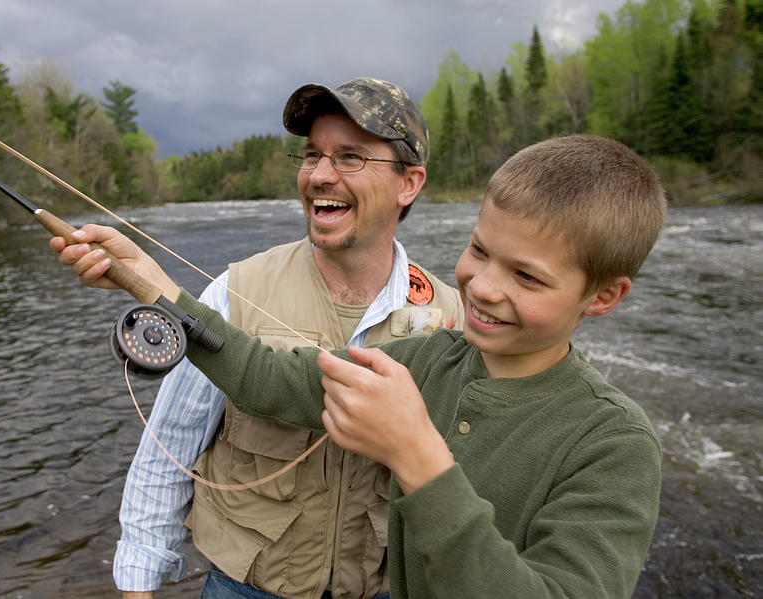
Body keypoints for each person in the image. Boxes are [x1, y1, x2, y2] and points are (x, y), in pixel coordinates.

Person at [64, 133, 667, 598]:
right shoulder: (431, 358)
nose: (483, 287)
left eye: (527, 276)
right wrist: (154, 289)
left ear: (605, 296)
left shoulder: (616, 444)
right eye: (480, 250)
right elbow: (273, 378)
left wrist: (415, 454)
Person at [52, 78, 463, 598]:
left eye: (351, 157)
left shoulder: (452, 315)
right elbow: (169, 446)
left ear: (409, 183)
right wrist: (139, 583)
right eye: (312, 154)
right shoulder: (236, 289)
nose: (319, 175)